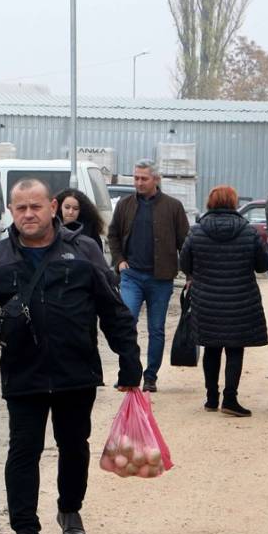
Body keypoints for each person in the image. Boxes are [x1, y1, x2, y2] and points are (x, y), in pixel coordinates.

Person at [0, 179, 142, 534]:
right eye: (21, 208)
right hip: (23, 370)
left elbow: (112, 308)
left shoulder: (83, 250)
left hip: (75, 368)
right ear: (11, 212)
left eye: (36, 206)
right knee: (23, 450)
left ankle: (70, 510)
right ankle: (25, 532)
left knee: (74, 445)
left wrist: (129, 360)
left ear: (53, 207)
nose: (29, 214)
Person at [179, 185, 268, 417]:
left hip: (206, 301)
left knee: (211, 347)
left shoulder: (196, 231)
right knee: (235, 349)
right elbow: (263, 266)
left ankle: (211, 398)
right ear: (234, 203)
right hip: (241, 300)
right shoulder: (248, 232)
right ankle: (230, 399)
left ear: (210, 203)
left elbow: (185, 265)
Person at [107, 159, 190, 393]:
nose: (139, 182)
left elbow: (185, 243)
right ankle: (128, 373)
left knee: (156, 329)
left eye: (144, 178)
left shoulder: (173, 207)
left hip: (161, 279)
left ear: (156, 179)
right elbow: (113, 235)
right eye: (136, 178)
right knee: (127, 324)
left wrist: (190, 273)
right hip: (131, 276)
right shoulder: (125, 205)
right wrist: (119, 261)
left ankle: (150, 376)